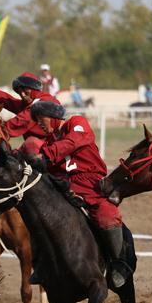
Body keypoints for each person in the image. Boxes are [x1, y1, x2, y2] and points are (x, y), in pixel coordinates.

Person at [22, 100, 130, 287]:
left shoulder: (76, 123)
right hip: (66, 185)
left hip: (91, 182)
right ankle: (41, 263)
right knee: (40, 216)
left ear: (54, 118)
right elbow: (51, 168)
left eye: (41, 119)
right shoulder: (49, 142)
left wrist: (46, 156)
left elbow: (73, 141)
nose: (39, 124)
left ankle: (119, 264)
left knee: (107, 215)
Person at [0, 72, 61, 139]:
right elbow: (7, 100)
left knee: (31, 144)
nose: (22, 95)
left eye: (26, 91)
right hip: (44, 147)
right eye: (19, 92)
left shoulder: (44, 102)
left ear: (34, 89)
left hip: (53, 147)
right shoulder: (28, 104)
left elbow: (21, 121)